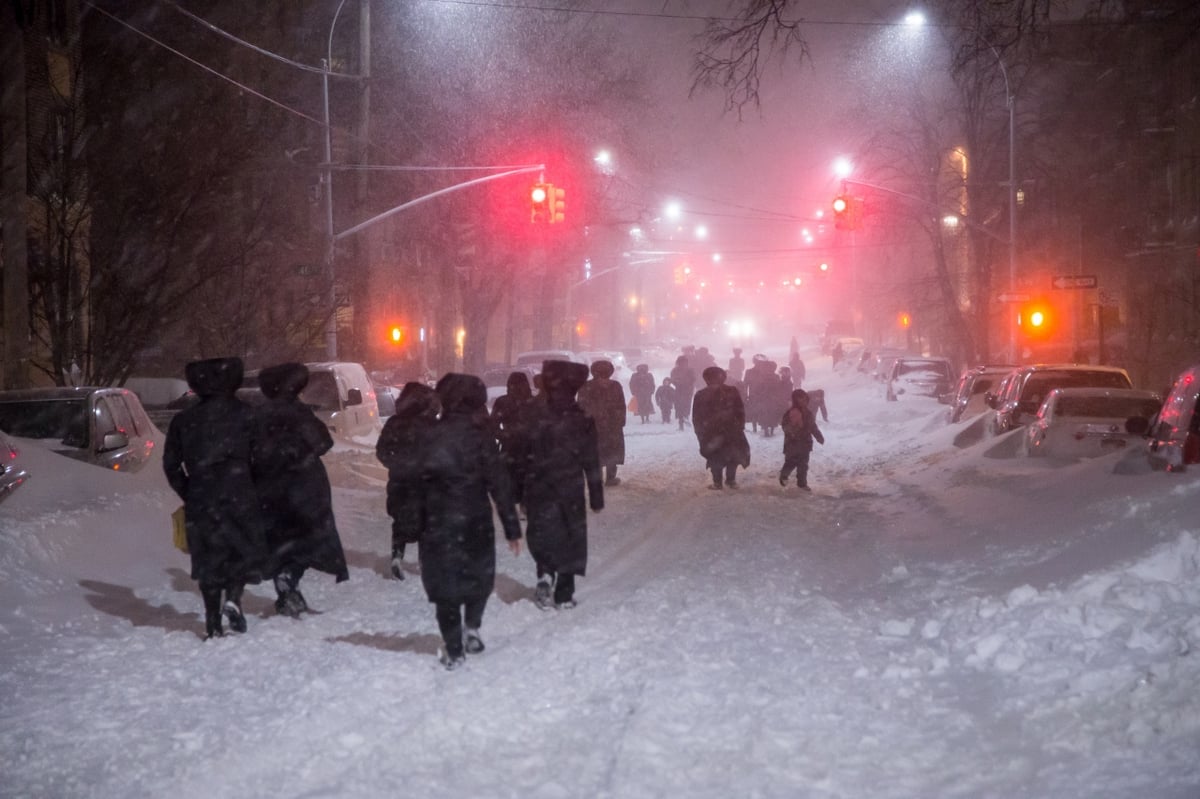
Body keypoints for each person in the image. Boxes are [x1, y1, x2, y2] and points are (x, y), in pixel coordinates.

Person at [163, 357, 269, 639]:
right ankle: (233, 598)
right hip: (240, 493)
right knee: (239, 551)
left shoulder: (184, 421)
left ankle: (212, 621)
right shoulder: (248, 415)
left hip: (202, 496)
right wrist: (254, 487)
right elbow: (263, 458)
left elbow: (170, 464)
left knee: (209, 559)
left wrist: (189, 490)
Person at [421, 373, 522, 670]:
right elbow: (498, 482)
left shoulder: (430, 434)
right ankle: (472, 627)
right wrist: (511, 527)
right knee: (478, 576)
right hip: (475, 516)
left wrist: (412, 521)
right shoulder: (482, 437)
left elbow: (416, 480)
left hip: (439, 519)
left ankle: (453, 645)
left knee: (445, 582)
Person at [252, 362, 350, 615]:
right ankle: (289, 577)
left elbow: (249, 450)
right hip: (304, 486)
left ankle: (286, 591)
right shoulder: (298, 412)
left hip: (268, 487)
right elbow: (322, 442)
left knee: (279, 540)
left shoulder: (258, 414)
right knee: (309, 539)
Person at [523, 360, 604, 609]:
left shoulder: (533, 415)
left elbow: (519, 454)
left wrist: (518, 490)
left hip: (538, 484)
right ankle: (564, 592)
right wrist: (596, 495)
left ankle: (545, 572)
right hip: (570, 485)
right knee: (570, 534)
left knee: (542, 531)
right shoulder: (582, 419)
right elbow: (591, 459)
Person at [376, 381, 441, 580]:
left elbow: (382, 451)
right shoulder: (433, 425)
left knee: (401, 520)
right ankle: (425, 561)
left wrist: (398, 465)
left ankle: (397, 555)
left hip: (400, 481)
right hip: (427, 482)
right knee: (427, 521)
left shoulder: (395, 422)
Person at [691, 366, 751, 490]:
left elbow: (697, 417)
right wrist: (740, 425)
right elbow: (740, 410)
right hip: (731, 429)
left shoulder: (701, 394)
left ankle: (718, 482)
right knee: (732, 456)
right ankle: (731, 480)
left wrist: (700, 431)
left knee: (716, 456)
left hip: (712, 431)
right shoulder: (732, 391)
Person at [489, 371, 538, 514]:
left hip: (510, 445)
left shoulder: (503, 402)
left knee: (510, 475)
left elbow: (493, 425)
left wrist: (503, 435)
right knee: (528, 474)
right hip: (529, 445)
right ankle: (525, 502)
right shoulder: (533, 402)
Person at [577, 359, 627, 487]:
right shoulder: (615, 386)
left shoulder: (586, 386)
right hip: (612, 425)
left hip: (595, 426)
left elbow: (581, 407)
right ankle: (610, 478)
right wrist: (619, 420)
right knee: (612, 451)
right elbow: (621, 405)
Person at [780, 388, 825, 491]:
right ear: (795, 400)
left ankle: (802, 483)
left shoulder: (808, 413)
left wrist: (818, 436)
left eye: (804, 399)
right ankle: (784, 475)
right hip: (792, 443)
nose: (802, 401)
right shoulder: (790, 413)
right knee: (791, 462)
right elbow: (785, 426)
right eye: (799, 399)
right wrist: (792, 433)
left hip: (805, 443)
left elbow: (812, 426)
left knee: (803, 464)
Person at [669, 355, 696, 431]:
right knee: (681, 407)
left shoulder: (689, 370)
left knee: (682, 407)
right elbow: (673, 379)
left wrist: (681, 383)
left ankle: (683, 421)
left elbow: (693, 379)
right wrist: (679, 383)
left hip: (685, 390)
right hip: (682, 390)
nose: (683, 364)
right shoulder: (675, 370)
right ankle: (682, 422)